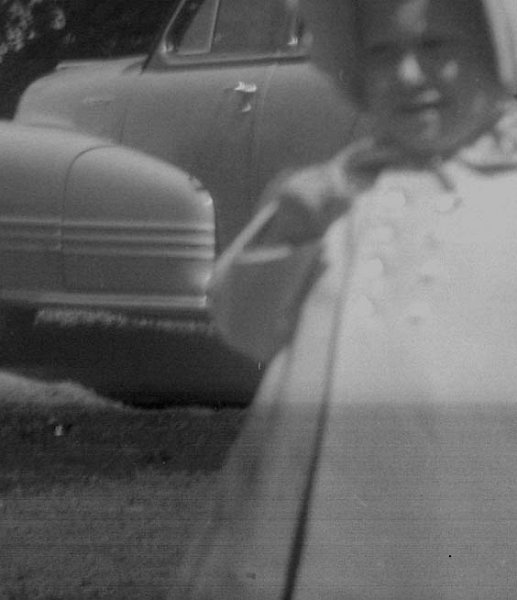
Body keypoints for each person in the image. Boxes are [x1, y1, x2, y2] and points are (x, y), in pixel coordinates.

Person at [173, 0, 517, 598]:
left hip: (459, 511)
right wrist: (287, 231)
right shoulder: (340, 186)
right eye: (382, 53)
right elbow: (243, 325)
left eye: (436, 47)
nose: (408, 75)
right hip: (302, 505)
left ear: (497, 54)